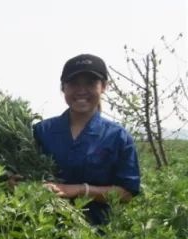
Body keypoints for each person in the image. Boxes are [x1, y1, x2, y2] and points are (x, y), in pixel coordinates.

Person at [33, 54, 141, 225]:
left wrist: (78, 190)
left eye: (90, 83)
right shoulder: (42, 131)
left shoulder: (117, 136)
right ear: (63, 88)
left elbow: (126, 193)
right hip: (42, 231)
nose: (81, 90)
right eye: (74, 83)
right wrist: (16, 182)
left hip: (97, 235)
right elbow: (24, 175)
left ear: (104, 87)